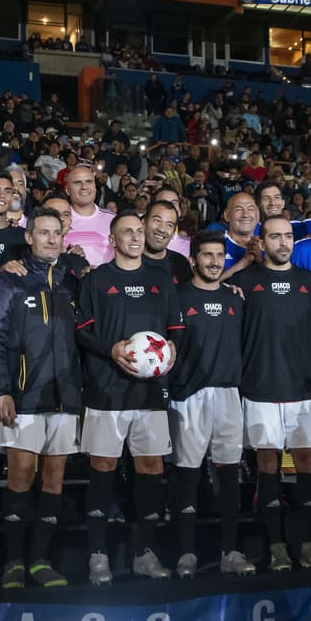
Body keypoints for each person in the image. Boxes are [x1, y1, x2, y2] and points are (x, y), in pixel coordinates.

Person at [76, 210, 183, 584]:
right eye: (128, 232)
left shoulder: (161, 279)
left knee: (151, 469)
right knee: (102, 469)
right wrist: (113, 349)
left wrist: (171, 348)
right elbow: (83, 332)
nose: (137, 237)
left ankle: (144, 553)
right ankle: (98, 554)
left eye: (140, 231)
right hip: (106, 391)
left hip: (150, 393)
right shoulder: (97, 279)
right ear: (113, 239)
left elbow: (177, 329)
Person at [0, 207, 83, 589]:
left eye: (57, 232)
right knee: (21, 477)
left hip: (65, 395)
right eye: (43, 232)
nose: (51, 239)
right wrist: (0, 389)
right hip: (23, 395)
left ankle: (40, 561)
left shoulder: (73, 282)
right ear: (29, 237)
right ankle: (12, 563)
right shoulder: (9, 281)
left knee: (54, 480)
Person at [232, 217, 311, 571]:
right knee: (268, 466)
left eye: (288, 236)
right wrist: (240, 266)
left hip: (303, 389)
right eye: (275, 236)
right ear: (262, 241)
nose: (284, 242)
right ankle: (275, 547)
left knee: (308, 465)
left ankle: (308, 543)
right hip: (259, 388)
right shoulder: (245, 281)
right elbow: (209, 289)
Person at [169, 231, 255, 575]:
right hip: (188, 395)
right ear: (193, 260)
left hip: (228, 393)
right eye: (207, 255)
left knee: (229, 473)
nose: (215, 262)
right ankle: (186, 552)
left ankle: (230, 552)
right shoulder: (176, 297)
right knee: (187, 475)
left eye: (220, 256)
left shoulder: (236, 299)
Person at [63, 162, 114, 266]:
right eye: (78, 182)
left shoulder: (113, 220)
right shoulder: (58, 221)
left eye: (89, 181)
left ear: (95, 187)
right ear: (67, 190)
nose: (84, 187)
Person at [140, 200, 192, 284]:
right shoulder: (127, 260)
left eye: (169, 225)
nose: (162, 229)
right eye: (157, 220)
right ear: (143, 223)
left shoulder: (180, 264)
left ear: (173, 233)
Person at [220, 191, 260, 279]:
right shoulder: (216, 244)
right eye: (239, 209)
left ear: (258, 215)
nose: (245, 215)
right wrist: (244, 262)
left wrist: (261, 260)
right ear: (226, 215)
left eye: (250, 209)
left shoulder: (268, 245)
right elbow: (206, 286)